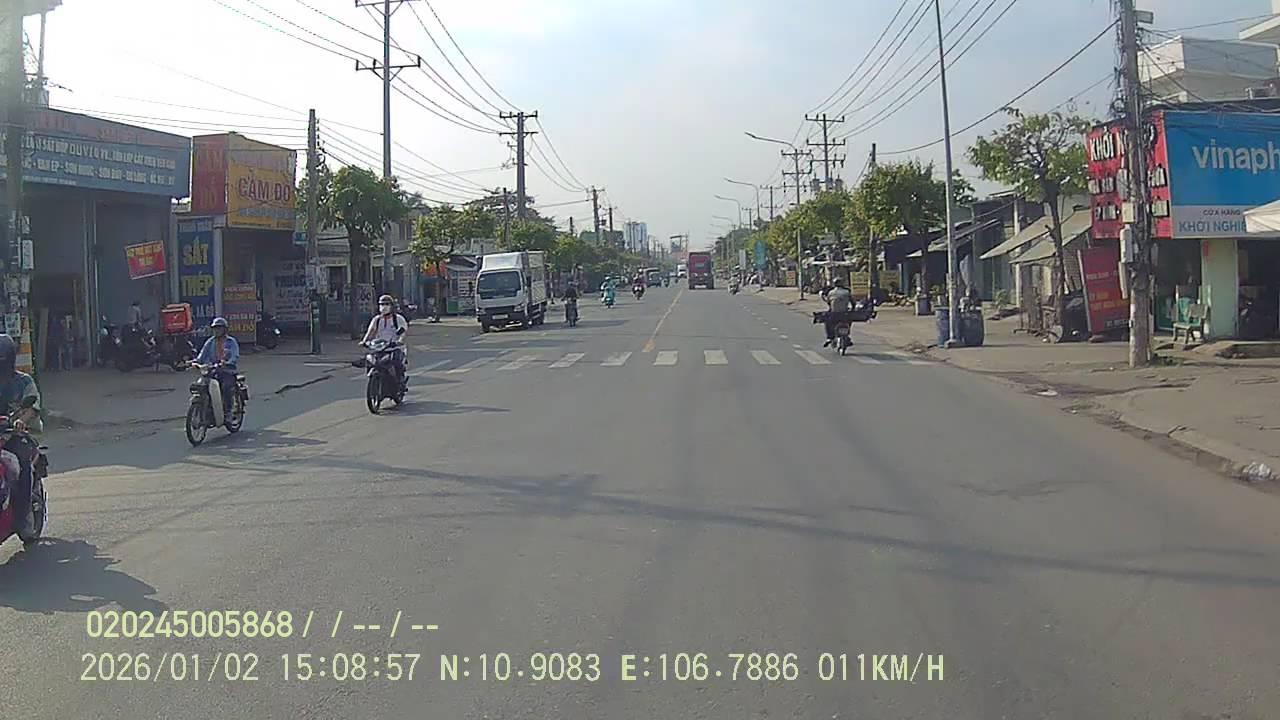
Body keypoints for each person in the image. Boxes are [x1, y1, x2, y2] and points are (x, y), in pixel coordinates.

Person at [0, 334, 42, 538]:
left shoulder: (23, 381)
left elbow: (33, 406)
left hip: (16, 435)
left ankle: (23, 517)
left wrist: (21, 420)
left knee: (22, 466)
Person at [193, 317, 241, 421]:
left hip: (227, 371)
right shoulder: (210, 341)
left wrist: (228, 362)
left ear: (224, 329)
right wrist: (194, 362)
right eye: (215, 328)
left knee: (225, 387)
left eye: (219, 328)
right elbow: (202, 355)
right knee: (201, 386)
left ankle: (228, 411)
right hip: (213, 371)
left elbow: (235, 355)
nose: (216, 331)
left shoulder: (231, 341)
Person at [362, 294, 408, 390]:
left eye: (387, 304)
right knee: (370, 361)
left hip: (394, 348)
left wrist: (399, 341)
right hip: (379, 347)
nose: (384, 307)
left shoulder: (398, 319)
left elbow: (402, 333)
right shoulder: (377, 319)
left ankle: (399, 383)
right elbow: (371, 331)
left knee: (396, 363)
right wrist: (364, 341)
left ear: (392, 306)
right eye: (381, 304)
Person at [823, 277, 853, 347]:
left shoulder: (831, 292)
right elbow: (853, 302)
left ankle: (830, 337)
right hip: (845, 314)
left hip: (834, 314)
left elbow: (829, 303)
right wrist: (852, 309)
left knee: (827, 322)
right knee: (850, 320)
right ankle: (847, 335)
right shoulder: (847, 292)